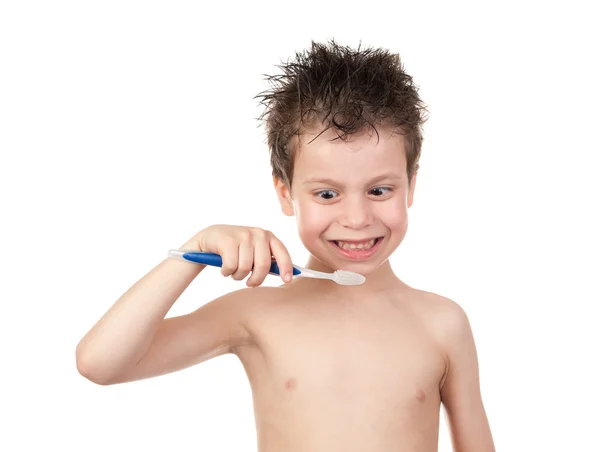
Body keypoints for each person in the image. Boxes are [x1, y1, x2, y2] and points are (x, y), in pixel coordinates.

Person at [76, 39, 495, 452]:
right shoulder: (254, 313)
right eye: (327, 194)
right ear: (284, 192)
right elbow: (101, 363)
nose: (356, 218)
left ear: (411, 185)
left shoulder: (443, 323)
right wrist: (193, 251)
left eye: (380, 190)